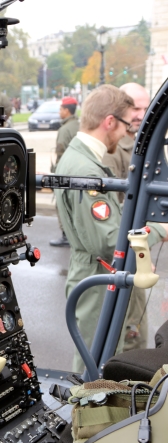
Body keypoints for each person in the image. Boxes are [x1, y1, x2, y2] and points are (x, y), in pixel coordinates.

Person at [54, 84, 168, 373]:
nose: (129, 132)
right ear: (109, 122)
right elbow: (108, 241)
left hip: (98, 270)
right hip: (98, 273)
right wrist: (158, 229)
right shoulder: (86, 170)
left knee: (113, 354)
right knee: (96, 365)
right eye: (127, 125)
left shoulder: (83, 160)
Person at [102, 83, 151, 351]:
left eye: (146, 107)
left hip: (135, 251)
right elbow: (119, 213)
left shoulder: (140, 142)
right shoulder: (113, 150)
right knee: (126, 341)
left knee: (137, 333)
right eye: (135, 108)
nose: (141, 114)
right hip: (122, 255)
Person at [50, 96, 80, 247]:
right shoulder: (79, 126)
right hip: (79, 171)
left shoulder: (64, 129)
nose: (59, 111)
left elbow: (60, 154)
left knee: (62, 205)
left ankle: (65, 235)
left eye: (61, 109)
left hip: (65, 172)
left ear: (67, 110)